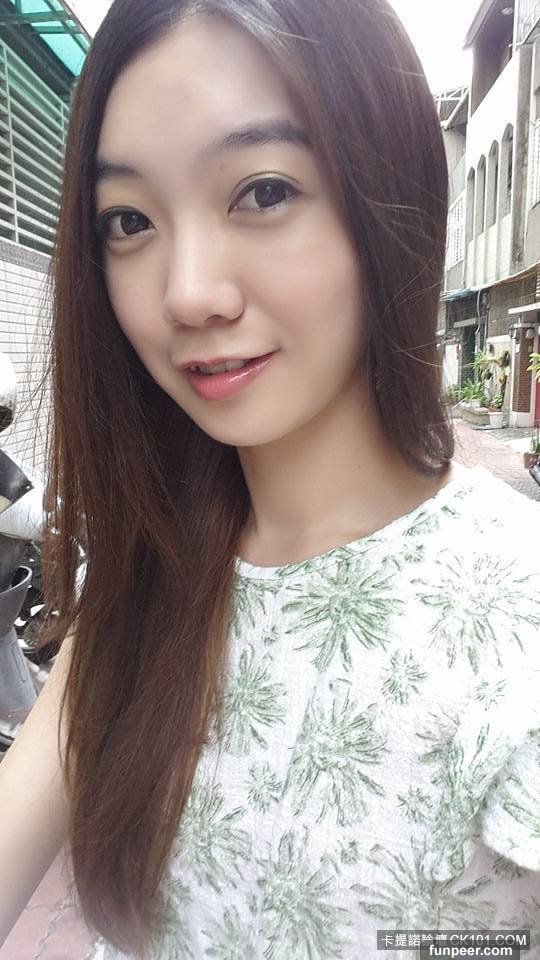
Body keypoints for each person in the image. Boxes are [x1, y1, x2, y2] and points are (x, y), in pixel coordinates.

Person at [0, 0, 539, 958]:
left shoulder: (514, 626)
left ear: (387, 192)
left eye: (262, 192)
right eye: (129, 220)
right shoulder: (150, 576)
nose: (188, 293)